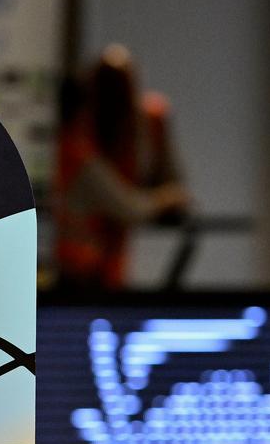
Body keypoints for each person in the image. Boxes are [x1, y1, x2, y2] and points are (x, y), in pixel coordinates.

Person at [55, 44, 191, 291]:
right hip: (77, 277)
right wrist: (166, 199)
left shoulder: (146, 126)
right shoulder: (77, 155)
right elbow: (128, 207)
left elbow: (162, 176)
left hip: (100, 266)